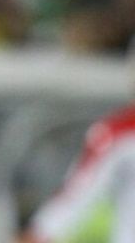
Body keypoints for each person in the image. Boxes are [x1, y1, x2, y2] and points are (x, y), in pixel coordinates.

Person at [20, 102, 135, 243]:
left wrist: (41, 231)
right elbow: (80, 191)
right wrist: (41, 231)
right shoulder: (121, 131)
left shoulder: (119, 132)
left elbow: (78, 192)